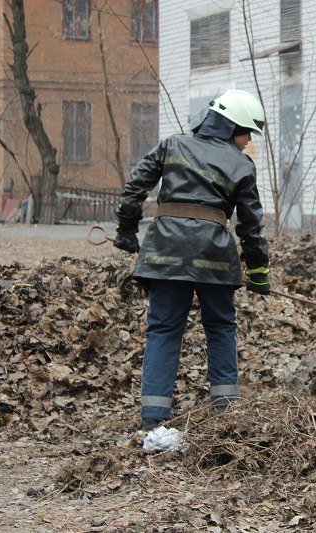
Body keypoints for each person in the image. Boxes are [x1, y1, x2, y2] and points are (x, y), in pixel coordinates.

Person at [112, 89, 271, 431]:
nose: (247, 143)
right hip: (214, 258)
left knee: (164, 330)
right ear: (231, 127)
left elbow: (134, 188)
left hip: (164, 253)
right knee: (221, 329)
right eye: (247, 133)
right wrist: (258, 271)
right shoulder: (242, 165)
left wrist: (126, 231)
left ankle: (153, 418)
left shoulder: (172, 145)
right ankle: (226, 415)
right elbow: (251, 224)